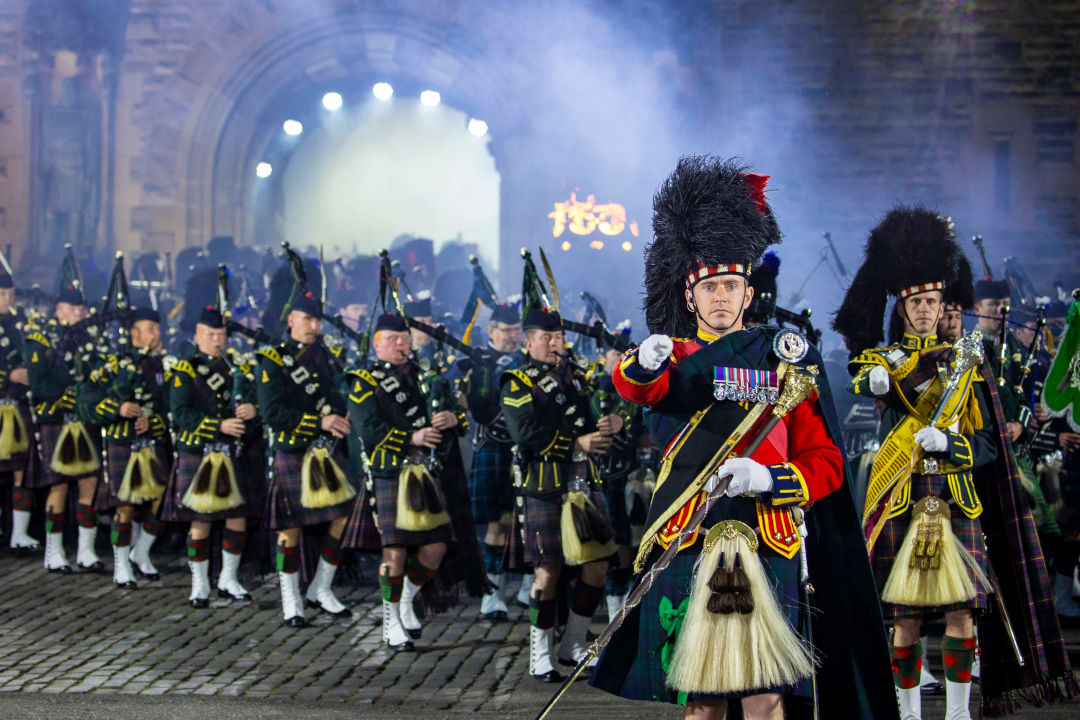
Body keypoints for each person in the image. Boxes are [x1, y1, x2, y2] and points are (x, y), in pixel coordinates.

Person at [591, 156, 896, 720]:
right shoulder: (676, 360)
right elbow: (641, 390)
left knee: (765, 698)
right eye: (710, 287)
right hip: (690, 529)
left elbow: (825, 460)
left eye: (732, 284)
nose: (722, 297)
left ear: (749, 291)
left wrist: (773, 478)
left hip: (767, 531)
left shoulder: (786, 360)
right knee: (702, 704)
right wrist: (642, 362)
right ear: (690, 297)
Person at [835, 206, 1076, 719]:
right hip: (902, 495)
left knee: (962, 614)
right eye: (915, 302)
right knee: (905, 621)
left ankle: (960, 713)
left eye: (932, 301)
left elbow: (991, 443)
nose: (924, 309)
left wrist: (952, 447)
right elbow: (854, 380)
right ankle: (906, 712)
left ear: (945, 303)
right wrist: (875, 383)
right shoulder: (880, 364)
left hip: (956, 499)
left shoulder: (969, 365)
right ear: (900, 308)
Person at [500, 304, 618, 683]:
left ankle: (573, 642)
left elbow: (597, 415)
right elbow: (525, 433)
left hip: (584, 482)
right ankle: (540, 652)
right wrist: (576, 443)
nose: (555, 344)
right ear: (529, 342)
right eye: (548, 338)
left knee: (597, 565)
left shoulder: (579, 376)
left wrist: (612, 420)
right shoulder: (516, 381)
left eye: (560, 338)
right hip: (543, 486)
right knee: (547, 571)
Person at [345, 312, 469, 650]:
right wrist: (410, 437)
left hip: (424, 473)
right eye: (392, 339)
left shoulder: (427, 378)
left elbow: (452, 419)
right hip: (388, 471)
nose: (400, 345)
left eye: (404, 339)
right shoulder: (363, 380)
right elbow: (367, 427)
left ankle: (403, 600)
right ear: (376, 345)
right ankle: (391, 621)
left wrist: (451, 418)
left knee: (435, 548)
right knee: (395, 553)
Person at [257, 290, 355, 627]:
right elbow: (272, 413)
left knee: (343, 519)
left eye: (316, 320)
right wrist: (320, 422)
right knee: (290, 529)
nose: (313, 326)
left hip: (326, 452)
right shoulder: (272, 359)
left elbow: (339, 395)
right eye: (306, 319)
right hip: (293, 450)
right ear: (290, 320)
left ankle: (320, 588)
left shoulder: (328, 356)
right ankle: (291, 599)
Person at [160, 306, 263, 605]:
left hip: (233, 452)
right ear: (196, 337)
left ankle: (228, 578)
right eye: (209, 335)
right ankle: (200, 583)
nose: (216, 340)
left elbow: (256, 406)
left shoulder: (238, 368)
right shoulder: (185, 369)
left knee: (237, 516)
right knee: (200, 518)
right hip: (200, 451)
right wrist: (218, 426)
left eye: (220, 335)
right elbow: (180, 414)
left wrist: (252, 412)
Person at [81, 307, 171, 589]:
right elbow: (86, 404)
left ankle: (141, 551)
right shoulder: (114, 364)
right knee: (126, 505)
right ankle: (121, 565)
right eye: (149, 329)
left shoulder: (168, 365)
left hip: (153, 442)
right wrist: (117, 408)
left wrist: (154, 422)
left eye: (157, 329)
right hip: (122, 441)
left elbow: (173, 407)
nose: (155, 334)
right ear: (133, 335)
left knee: (163, 500)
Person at [23, 280, 104, 573]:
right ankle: (53, 551)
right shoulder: (41, 340)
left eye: (80, 308)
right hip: (56, 419)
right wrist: (69, 393)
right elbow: (39, 384)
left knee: (89, 482)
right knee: (57, 486)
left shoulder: (91, 339)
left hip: (85, 419)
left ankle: (86, 550)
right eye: (71, 308)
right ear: (59, 311)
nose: (78, 313)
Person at [454, 304, 523, 620]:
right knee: (497, 525)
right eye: (506, 331)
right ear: (492, 331)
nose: (512, 336)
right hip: (493, 448)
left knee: (525, 522)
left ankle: (527, 586)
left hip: (525, 448)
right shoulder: (478, 362)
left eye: (516, 330)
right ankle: (492, 596)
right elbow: (471, 403)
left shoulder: (527, 360)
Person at [0, 268, 38, 553]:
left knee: (22, 471)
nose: (7, 299)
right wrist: (7, 376)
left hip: (20, 407)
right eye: (2, 294)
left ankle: (19, 533)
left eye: (10, 294)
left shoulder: (22, 324)